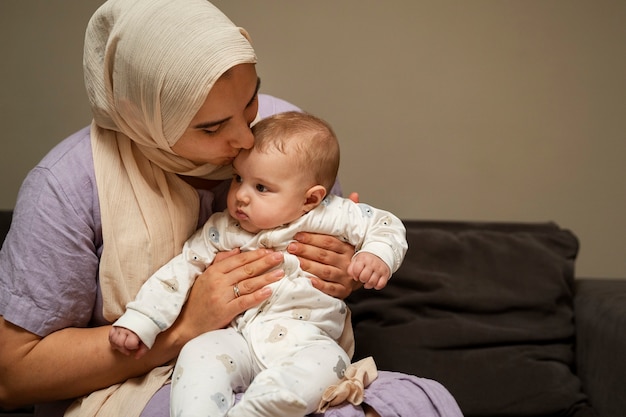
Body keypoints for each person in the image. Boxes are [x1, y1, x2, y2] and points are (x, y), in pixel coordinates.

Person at [0, 0, 463, 416]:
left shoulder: (282, 134)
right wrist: (184, 328)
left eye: (250, 99)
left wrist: (344, 272)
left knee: (417, 403)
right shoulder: (65, 186)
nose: (245, 138)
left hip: (290, 354)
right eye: (212, 127)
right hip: (137, 383)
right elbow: (13, 377)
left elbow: (331, 246)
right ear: (138, 114)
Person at [108, 111, 408, 416]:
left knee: (331, 363)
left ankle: (263, 407)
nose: (240, 196)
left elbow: (386, 224)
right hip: (238, 338)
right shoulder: (223, 230)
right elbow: (179, 272)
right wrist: (140, 320)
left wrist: (375, 255)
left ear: (310, 199)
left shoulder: (329, 215)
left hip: (307, 340)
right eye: (238, 179)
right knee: (198, 353)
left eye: (260, 187)